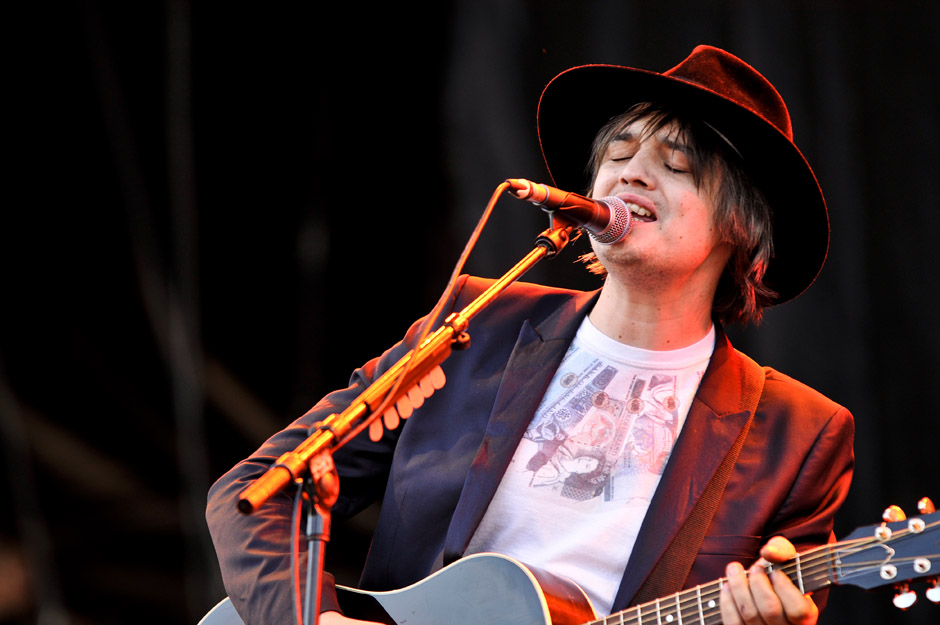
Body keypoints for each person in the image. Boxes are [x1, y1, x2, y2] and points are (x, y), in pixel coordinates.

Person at [206, 45, 855, 625]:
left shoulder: (799, 435)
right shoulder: (474, 327)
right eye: (618, 153)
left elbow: (780, 596)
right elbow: (257, 491)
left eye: (675, 164)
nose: (629, 173)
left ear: (741, 224)